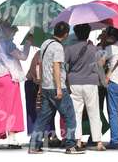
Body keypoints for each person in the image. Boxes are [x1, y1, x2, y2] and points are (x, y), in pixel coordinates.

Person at [28, 21, 85, 154]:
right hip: (56, 87)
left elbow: (40, 65)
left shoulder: (45, 44)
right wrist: (59, 88)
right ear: (65, 34)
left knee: (42, 117)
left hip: (46, 87)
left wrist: (41, 85)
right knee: (70, 116)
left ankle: (33, 145)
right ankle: (70, 145)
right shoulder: (58, 47)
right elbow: (56, 67)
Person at [0, 21, 32, 149]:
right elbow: (23, 56)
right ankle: (12, 138)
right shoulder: (9, 44)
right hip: (9, 79)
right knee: (12, 107)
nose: (14, 33)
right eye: (12, 31)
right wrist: (28, 43)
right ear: (7, 31)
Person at [65, 24, 105, 151]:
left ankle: (77, 141)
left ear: (76, 34)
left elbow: (65, 65)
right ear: (88, 33)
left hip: (74, 82)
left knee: (76, 113)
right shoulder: (94, 49)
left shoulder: (69, 48)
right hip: (91, 83)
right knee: (94, 112)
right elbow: (100, 66)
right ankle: (98, 142)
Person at [24, 50, 61, 147]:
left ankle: (43, 136)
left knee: (38, 110)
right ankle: (45, 136)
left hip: (34, 83)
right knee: (45, 109)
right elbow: (38, 72)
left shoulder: (41, 53)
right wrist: (40, 86)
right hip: (37, 84)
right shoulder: (45, 54)